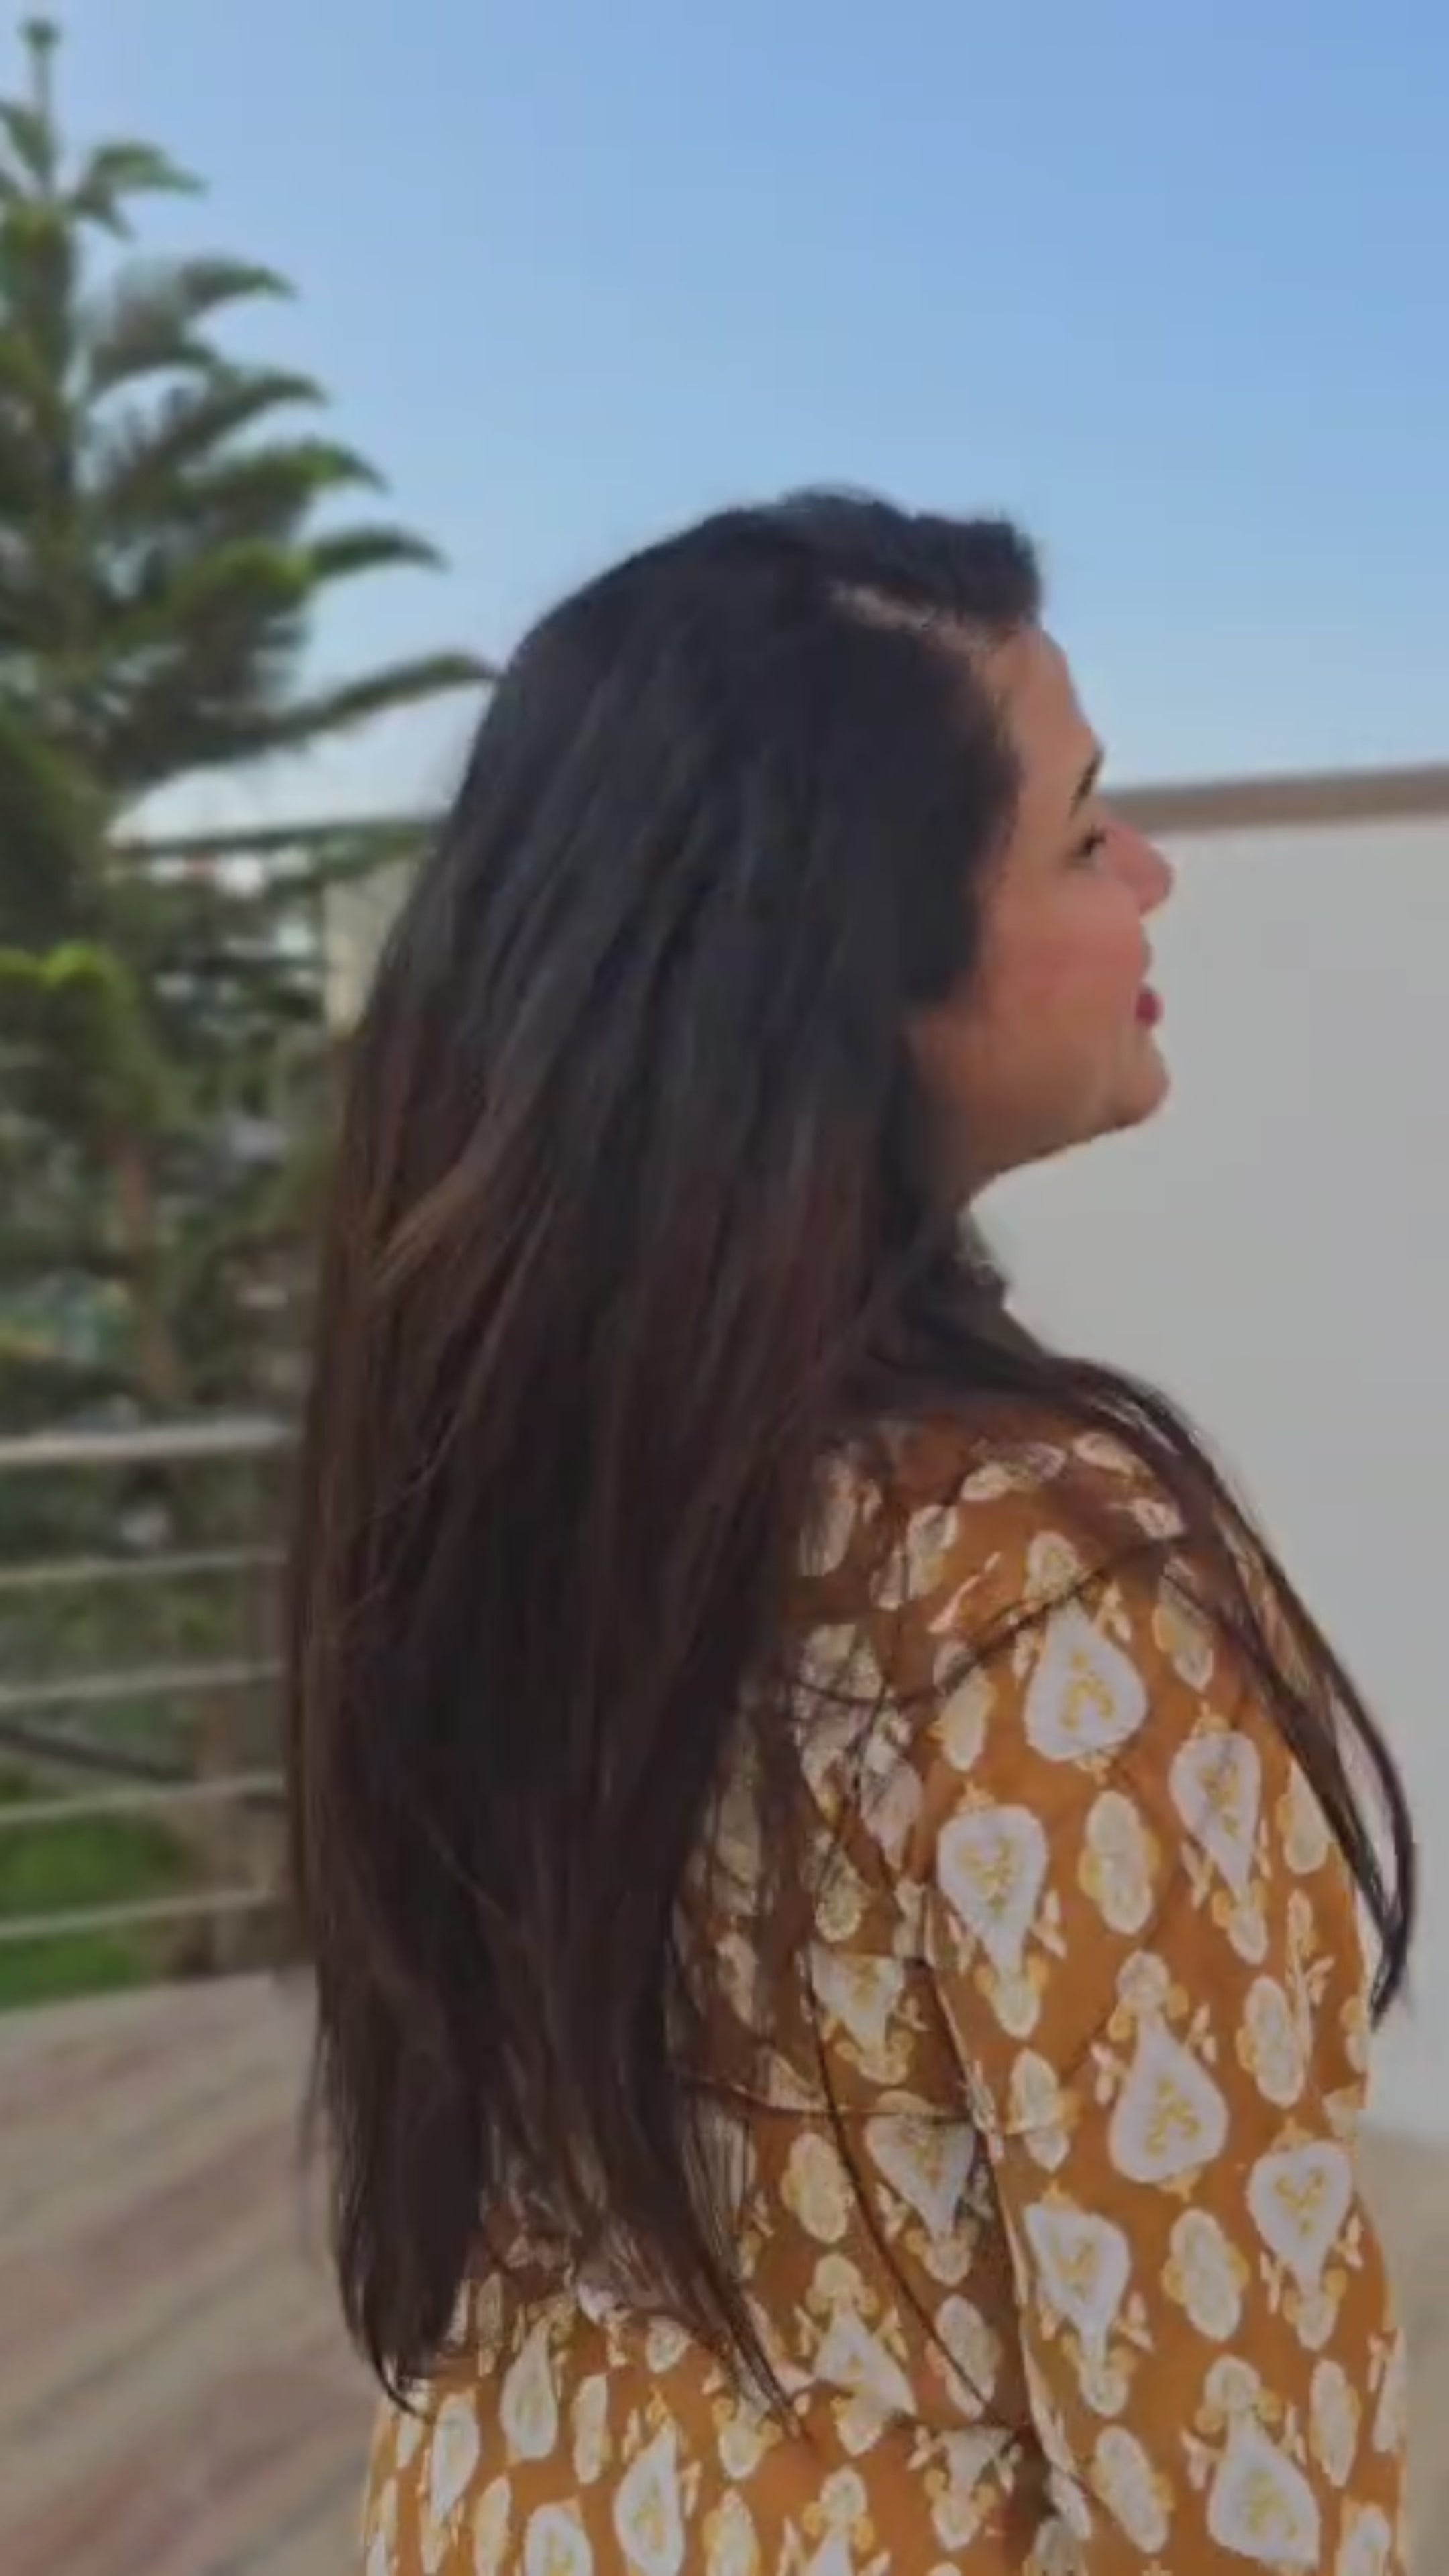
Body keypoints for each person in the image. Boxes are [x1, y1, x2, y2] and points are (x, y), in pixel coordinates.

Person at [286, 495, 1415, 2574]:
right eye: (1084, 834)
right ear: (847, 972)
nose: (1153, 876)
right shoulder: (1047, 1595)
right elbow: (1237, 2489)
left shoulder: (505, 1479)